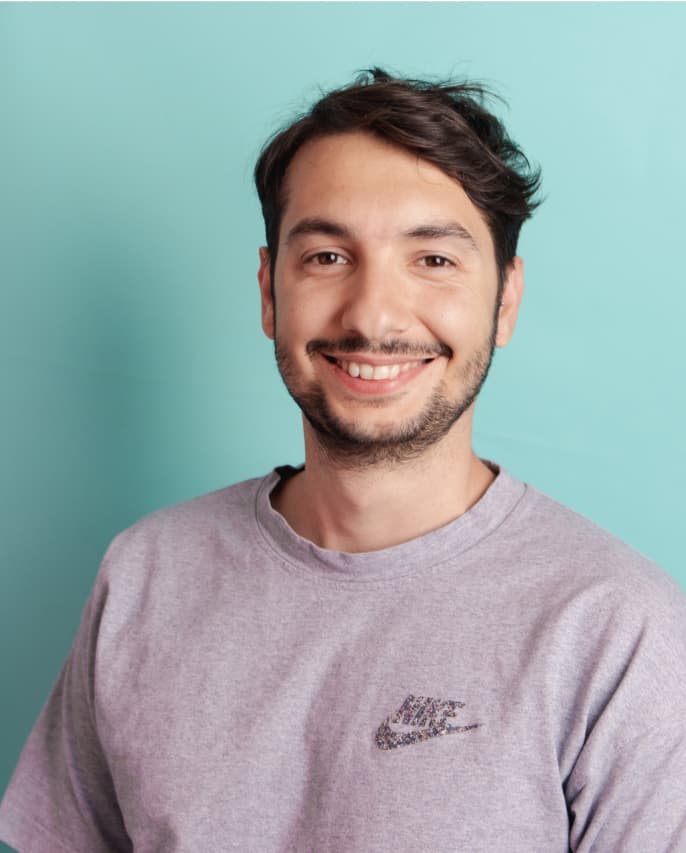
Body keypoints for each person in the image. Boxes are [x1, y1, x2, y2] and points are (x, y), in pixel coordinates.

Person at [1, 69, 685, 853]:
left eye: (433, 260)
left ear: (505, 301)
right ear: (269, 292)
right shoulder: (146, 575)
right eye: (327, 256)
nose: (373, 316)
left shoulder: (618, 630)